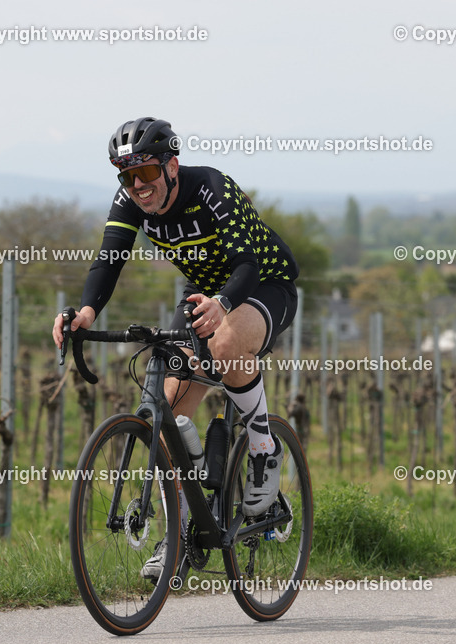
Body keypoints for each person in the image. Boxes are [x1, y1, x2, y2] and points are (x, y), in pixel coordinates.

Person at [52, 117, 298, 579]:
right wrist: (85, 313)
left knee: (224, 346)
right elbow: (109, 258)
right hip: (200, 294)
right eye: (127, 175)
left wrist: (224, 304)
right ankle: (183, 529)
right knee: (166, 408)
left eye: (145, 172)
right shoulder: (131, 200)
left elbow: (245, 262)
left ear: (172, 165)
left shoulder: (212, 188)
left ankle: (264, 446)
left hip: (261, 285)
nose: (137, 185)